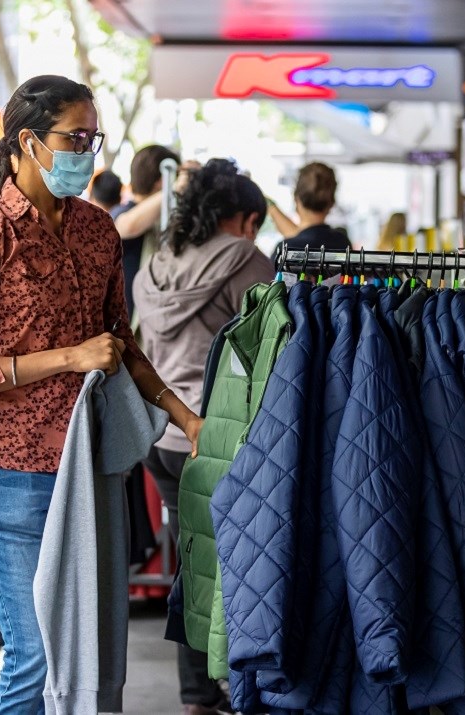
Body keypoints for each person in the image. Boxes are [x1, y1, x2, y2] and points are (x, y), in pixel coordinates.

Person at [0, 74, 203, 715]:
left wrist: (183, 417)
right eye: (73, 137)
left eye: (93, 137)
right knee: (35, 658)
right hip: (11, 472)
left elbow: (118, 340)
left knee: (90, 654)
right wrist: (69, 359)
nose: (86, 150)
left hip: (90, 465)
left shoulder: (96, 229)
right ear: (28, 142)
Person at [134, 158, 274, 714]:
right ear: (241, 218)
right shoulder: (243, 258)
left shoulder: (158, 264)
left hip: (162, 437)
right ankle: (238, 688)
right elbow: (277, 337)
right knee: (240, 564)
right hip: (218, 435)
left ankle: (197, 694)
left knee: (192, 563)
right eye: (254, 222)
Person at [111, 144, 182, 317]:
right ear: (161, 181)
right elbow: (127, 226)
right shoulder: (122, 213)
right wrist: (175, 188)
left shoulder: (161, 219)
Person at [268, 161, 350, 256]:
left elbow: (306, 237)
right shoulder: (342, 243)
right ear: (331, 203)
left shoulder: (284, 251)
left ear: (296, 199)